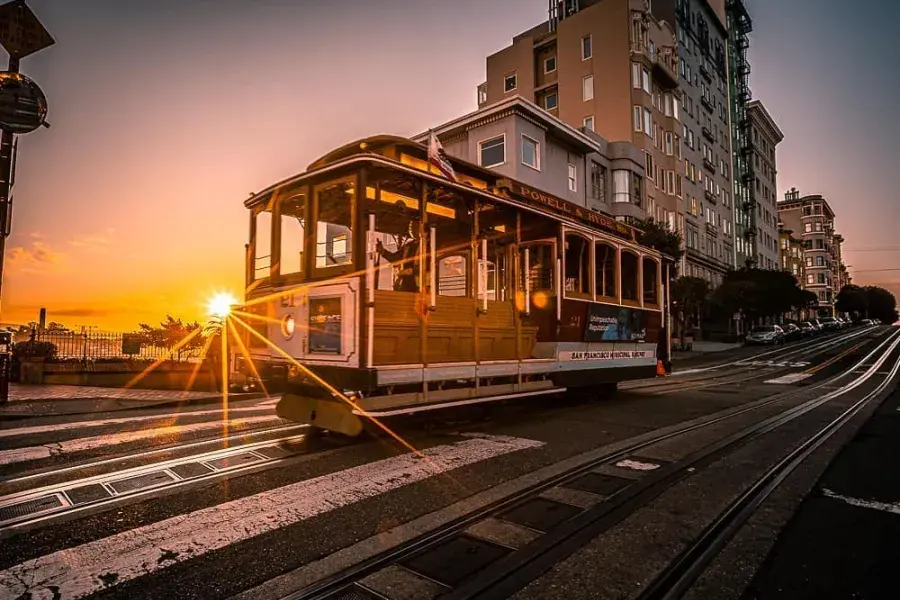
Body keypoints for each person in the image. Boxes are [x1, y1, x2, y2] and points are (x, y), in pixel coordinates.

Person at [375, 224, 421, 292]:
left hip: (420, 284)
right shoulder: (407, 246)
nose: (412, 230)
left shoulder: (426, 245)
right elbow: (396, 258)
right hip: (406, 283)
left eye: (415, 227)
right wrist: (383, 251)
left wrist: (411, 271)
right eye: (410, 228)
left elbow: (429, 264)